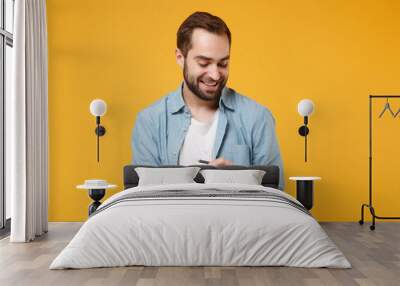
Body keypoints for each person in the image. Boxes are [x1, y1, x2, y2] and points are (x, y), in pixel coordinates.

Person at [132, 11, 284, 190]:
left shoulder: (258, 117)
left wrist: (237, 183)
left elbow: (275, 197)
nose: (215, 74)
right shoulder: (149, 121)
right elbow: (142, 201)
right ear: (180, 58)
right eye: (204, 63)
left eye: (223, 64)